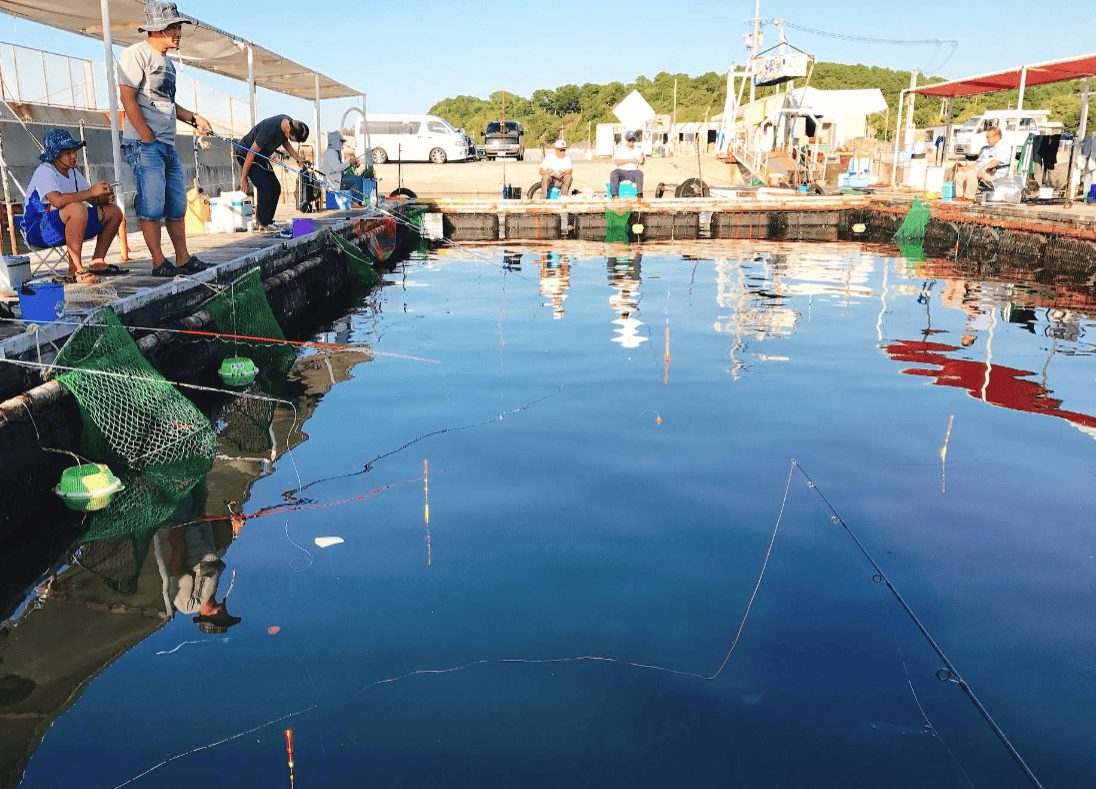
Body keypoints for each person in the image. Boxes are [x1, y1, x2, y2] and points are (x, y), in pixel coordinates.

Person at [116, 1, 213, 277]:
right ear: (156, 29)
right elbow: (127, 97)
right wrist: (146, 136)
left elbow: (168, 103)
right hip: (146, 144)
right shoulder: (134, 55)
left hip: (167, 144)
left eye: (178, 26)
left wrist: (195, 118)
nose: (178, 32)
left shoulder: (168, 64)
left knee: (176, 204)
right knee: (152, 204)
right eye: (172, 27)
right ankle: (158, 260)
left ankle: (182, 258)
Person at [24, 129, 125, 285]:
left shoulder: (74, 173)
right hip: (39, 230)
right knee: (77, 208)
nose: (73, 156)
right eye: (67, 153)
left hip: (67, 223)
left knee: (113, 211)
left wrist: (102, 197)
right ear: (55, 155)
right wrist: (91, 191)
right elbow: (57, 201)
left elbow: (89, 199)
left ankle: (97, 262)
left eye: (74, 151)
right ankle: (75, 269)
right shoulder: (45, 170)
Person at [236, 115, 310, 231]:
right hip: (246, 155)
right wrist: (243, 178)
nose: (291, 141)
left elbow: (286, 143)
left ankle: (266, 221)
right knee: (265, 186)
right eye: (292, 139)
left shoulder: (290, 124)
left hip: (260, 157)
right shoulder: (269, 130)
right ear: (289, 131)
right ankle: (264, 223)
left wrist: (298, 159)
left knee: (275, 187)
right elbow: (251, 153)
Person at [953, 126, 1009, 200]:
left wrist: (983, 169)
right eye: (986, 137)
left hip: (992, 173)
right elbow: (978, 162)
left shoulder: (1003, 146)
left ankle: (969, 198)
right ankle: (960, 196)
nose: (987, 140)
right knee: (960, 174)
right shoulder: (986, 148)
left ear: (997, 137)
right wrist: (968, 168)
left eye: (989, 137)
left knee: (971, 174)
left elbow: (996, 161)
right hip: (980, 171)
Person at [320, 130, 350, 211]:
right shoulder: (331, 152)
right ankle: (356, 202)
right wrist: (349, 163)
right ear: (336, 141)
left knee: (353, 179)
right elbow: (337, 168)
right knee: (356, 180)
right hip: (334, 180)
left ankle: (353, 201)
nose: (342, 145)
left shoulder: (334, 152)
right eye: (341, 142)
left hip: (335, 179)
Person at [610, 131, 644, 197]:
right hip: (621, 170)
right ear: (626, 140)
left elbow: (641, 163)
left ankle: (639, 195)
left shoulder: (638, 150)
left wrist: (643, 159)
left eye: (633, 140)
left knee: (639, 173)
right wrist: (629, 160)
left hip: (633, 171)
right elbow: (616, 162)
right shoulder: (620, 149)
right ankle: (613, 195)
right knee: (613, 173)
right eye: (629, 140)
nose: (631, 141)